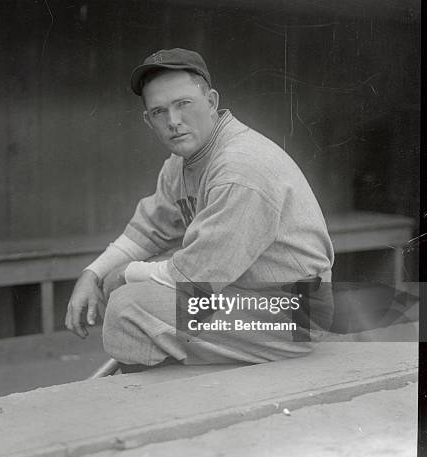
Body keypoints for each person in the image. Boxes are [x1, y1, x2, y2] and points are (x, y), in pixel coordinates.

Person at [65, 48, 334, 371]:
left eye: (183, 104)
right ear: (148, 121)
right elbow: (146, 233)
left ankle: (155, 406)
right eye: (159, 111)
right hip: (241, 296)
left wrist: (125, 273)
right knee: (138, 295)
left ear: (211, 102)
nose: (173, 121)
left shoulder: (241, 166)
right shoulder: (181, 163)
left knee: (128, 306)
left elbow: (196, 278)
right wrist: (92, 274)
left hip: (293, 312)